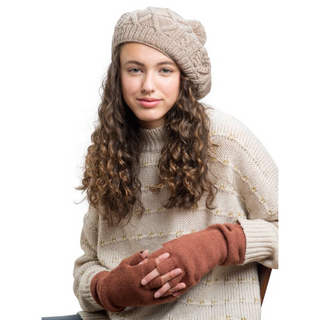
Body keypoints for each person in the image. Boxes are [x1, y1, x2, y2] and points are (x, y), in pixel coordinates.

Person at [47, 6, 278, 320]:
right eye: (135, 69)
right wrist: (110, 289)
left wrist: (217, 244)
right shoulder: (110, 150)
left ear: (183, 76)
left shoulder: (225, 139)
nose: (148, 85)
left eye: (164, 70)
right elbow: (87, 265)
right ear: (118, 75)